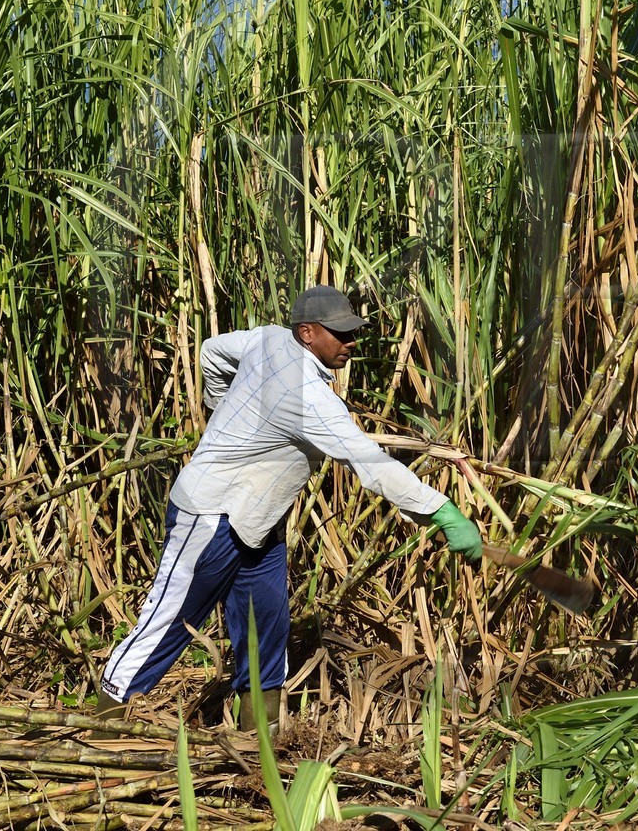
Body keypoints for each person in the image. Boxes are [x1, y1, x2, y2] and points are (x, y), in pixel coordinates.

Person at [95, 285, 482, 727]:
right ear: (306, 332)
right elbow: (369, 462)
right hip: (209, 513)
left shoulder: (266, 339)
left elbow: (212, 352)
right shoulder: (308, 397)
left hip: (257, 517)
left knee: (266, 621)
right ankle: (106, 724)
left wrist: (221, 408)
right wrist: (441, 512)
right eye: (340, 333)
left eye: (353, 333)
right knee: (170, 617)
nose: (351, 343)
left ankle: (259, 735)